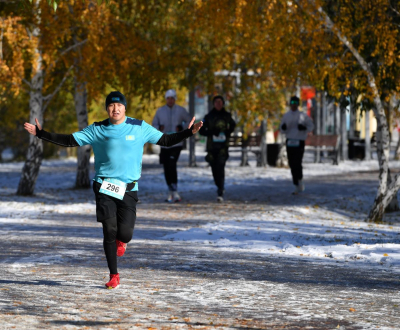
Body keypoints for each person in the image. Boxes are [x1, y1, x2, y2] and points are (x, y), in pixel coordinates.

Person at [23, 91, 203, 289]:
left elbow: (166, 140)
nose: (115, 109)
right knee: (109, 230)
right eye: (111, 105)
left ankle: (122, 240)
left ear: (125, 108)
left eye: (119, 105)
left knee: (125, 234)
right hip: (104, 186)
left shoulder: (139, 127)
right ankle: (114, 275)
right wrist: (41, 133)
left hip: (129, 188)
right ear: (107, 108)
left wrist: (189, 132)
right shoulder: (97, 129)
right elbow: (69, 140)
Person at [152, 89, 192, 203]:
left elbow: (189, 121)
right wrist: (159, 128)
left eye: (172, 98)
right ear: (166, 99)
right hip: (164, 143)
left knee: (172, 163)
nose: (170, 100)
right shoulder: (160, 111)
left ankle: (175, 189)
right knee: (166, 166)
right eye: (168, 98)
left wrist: (182, 127)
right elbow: (154, 124)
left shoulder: (181, 110)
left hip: (176, 142)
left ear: (175, 99)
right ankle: (170, 189)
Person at [199, 95, 236, 202]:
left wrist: (227, 132)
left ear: (223, 104)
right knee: (214, 168)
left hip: (223, 147)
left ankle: (220, 189)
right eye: (216, 102)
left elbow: (233, 125)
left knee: (221, 166)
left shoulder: (227, 116)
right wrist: (211, 132)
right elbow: (202, 130)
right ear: (213, 104)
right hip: (212, 147)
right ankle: (219, 185)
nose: (218, 104)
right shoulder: (209, 116)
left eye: (220, 102)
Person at [280, 95, 314, 194]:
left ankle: (300, 180)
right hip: (290, 141)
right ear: (290, 104)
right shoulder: (286, 116)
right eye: (292, 103)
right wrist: (284, 127)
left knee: (297, 162)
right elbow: (282, 129)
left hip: (299, 141)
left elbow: (311, 126)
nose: (293, 105)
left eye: (295, 103)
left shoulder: (303, 116)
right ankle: (296, 183)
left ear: (298, 104)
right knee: (291, 163)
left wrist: (304, 128)